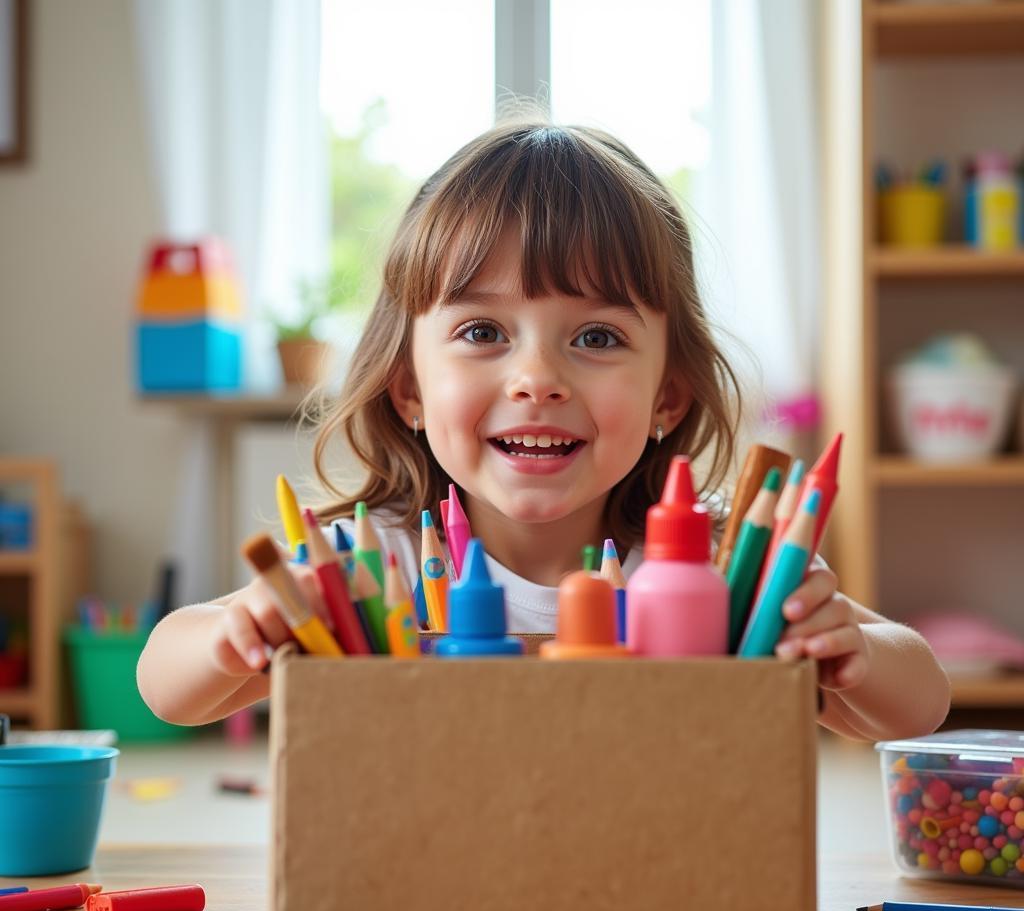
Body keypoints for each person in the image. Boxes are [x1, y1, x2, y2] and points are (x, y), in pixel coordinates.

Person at [138, 120, 949, 740]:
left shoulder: (713, 572)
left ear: (668, 396)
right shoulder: (367, 566)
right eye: (483, 333)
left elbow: (922, 700)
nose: (537, 379)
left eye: (596, 338)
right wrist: (236, 632)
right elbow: (162, 682)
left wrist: (854, 650)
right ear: (409, 389)